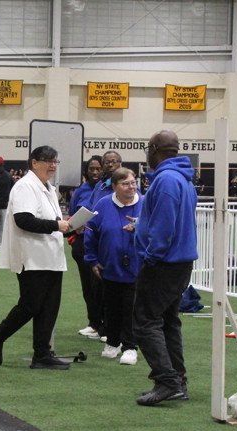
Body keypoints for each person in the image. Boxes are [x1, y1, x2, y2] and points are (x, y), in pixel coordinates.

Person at [0, 145, 73, 370]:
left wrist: (69, 227)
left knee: (49, 307)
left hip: (51, 256)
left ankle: (42, 354)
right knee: (30, 306)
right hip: (32, 257)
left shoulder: (48, 187)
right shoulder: (25, 186)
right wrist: (57, 225)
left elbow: (50, 221)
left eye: (55, 161)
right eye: (48, 161)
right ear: (34, 162)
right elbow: (23, 220)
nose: (53, 165)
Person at [133, 130, 199, 406]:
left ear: (153, 149)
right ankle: (177, 380)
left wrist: (151, 256)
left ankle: (167, 381)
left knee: (145, 322)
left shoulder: (166, 180)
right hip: (179, 263)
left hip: (164, 263)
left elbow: (164, 227)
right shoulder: (183, 179)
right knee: (169, 322)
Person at [83, 168, 143, 366]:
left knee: (131, 308)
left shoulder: (144, 204)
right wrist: (92, 260)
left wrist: (139, 227)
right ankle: (112, 343)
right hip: (109, 267)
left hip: (137, 268)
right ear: (115, 187)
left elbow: (155, 230)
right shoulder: (103, 204)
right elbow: (91, 233)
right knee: (111, 307)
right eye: (125, 184)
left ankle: (130, 347)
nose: (131, 187)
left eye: (133, 183)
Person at [68, 155, 105, 339]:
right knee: (88, 286)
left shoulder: (108, 188)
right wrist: (76, 225)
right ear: (86, 171)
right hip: (82, 243)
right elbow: (71, 216)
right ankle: (94, 323)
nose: (95, 172)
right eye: (92, 169)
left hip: (102, 244)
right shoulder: (80, 191)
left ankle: (107, 325)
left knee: (102, 286)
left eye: (98, 168)